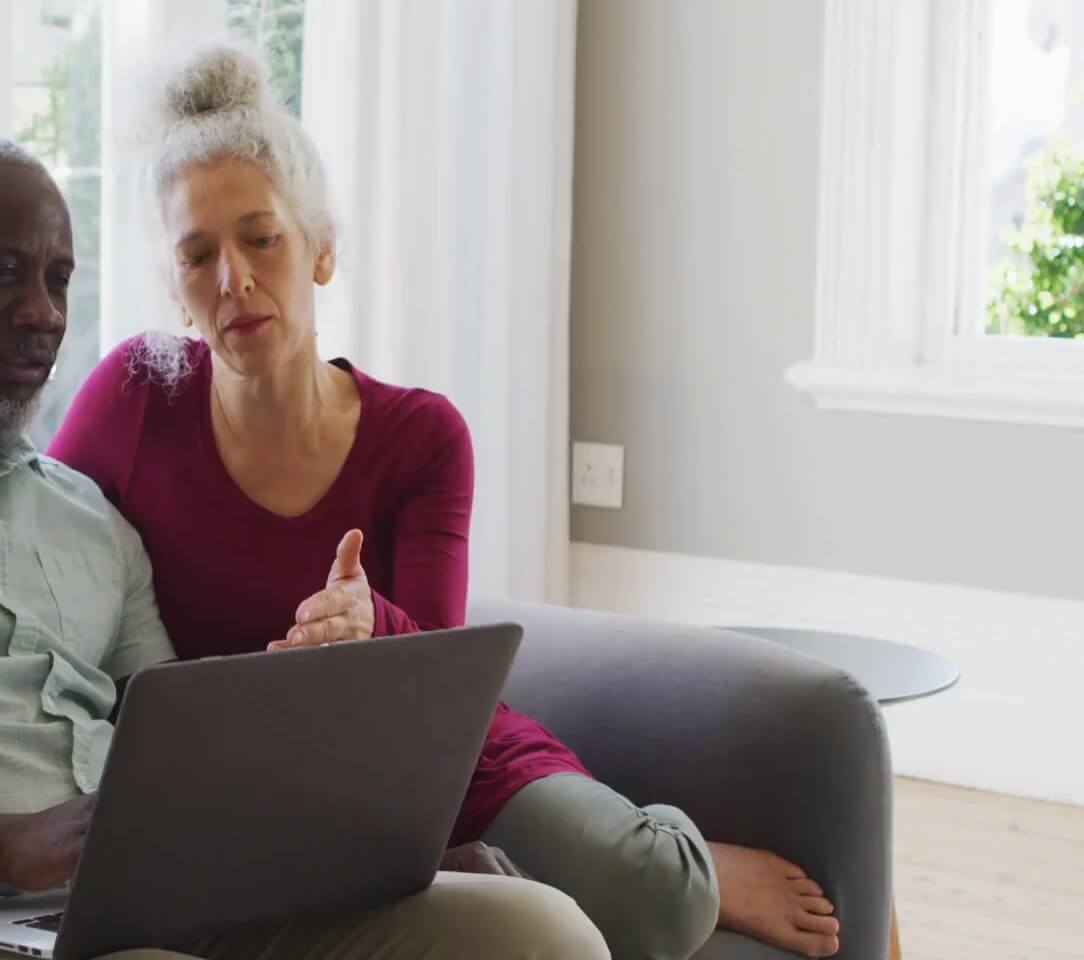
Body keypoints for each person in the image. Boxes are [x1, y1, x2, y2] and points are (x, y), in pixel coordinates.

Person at [0, 128, 607, 960]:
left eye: (60, 279)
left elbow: (181, 766)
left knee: (535, 933)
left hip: (150, 910)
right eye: (6, 271)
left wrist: (380, 858)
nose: (44, 312)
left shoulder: (89, 518)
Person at [47, 46, 841, 960]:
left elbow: (441, 672)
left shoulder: (422, 437)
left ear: (322, 249)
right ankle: (479, 870)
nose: (234, 279)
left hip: (433, 765)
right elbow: (42, 537)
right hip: (250, 798)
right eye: (198, 255)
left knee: (659, 902)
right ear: (177, 292)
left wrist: (365, 620)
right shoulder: (132, 398)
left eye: (261, 237)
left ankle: (686, 854)